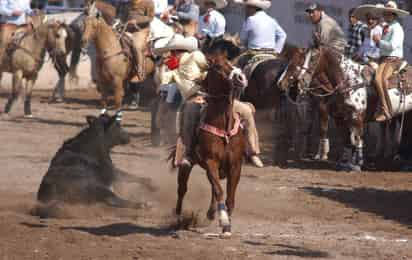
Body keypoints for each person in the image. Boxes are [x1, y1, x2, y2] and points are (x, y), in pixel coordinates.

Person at [156, 34, 264, 168]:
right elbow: (163, 82)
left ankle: (253, 151)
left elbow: (214, 65)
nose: (170, 55)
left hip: (213, 95)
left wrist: (206, 78)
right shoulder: (173, 70)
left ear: (179, 51)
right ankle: (187, 153)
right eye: (170, 52)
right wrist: (162, 69)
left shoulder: (195, 56)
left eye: (173, 52)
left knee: (246, 111)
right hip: (194, 99)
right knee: (188, 115)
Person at [372, 1, 409, 121]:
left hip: (393, 59)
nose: (385, 16)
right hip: (384, 59)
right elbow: (384, 47)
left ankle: (387, 110)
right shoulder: (387, 27)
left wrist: (379, 41)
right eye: (385, 14)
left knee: (380, 79)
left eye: (387, 14)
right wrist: (379, 44)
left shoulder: (397, 28)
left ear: (393, 15)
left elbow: (392, 46)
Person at [126, 0, 155, 83]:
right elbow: (123, 15)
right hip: (127, 29)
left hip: (142, 30)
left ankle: (140, 73)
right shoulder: (128, 3)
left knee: (136, 46)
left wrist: (137, 21)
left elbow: (151, 17)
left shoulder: (149, 2)